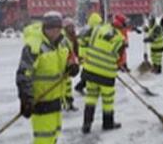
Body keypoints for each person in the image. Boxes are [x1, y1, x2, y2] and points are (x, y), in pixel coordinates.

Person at [16, 12, 80, 144]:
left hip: (56, 99)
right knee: (43, 139)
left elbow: (70, 57)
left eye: (57, 28)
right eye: (51, 28)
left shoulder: (63, 42)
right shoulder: (34, 46)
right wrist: (26, 98)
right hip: (40, 100)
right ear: (44, 28)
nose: (54, 32)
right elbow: (24, 74)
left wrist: (72, 66)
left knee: (53, 134)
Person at [80, 14, 127, 134]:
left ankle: (87, 124)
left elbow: (85, 42)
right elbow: (120, 60)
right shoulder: (120, 39)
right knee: (108, 100)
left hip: (90, 71)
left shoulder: (97, 29)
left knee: (91, 97)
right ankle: (108, 123)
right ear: (121, 27)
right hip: (106, 75)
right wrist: (118, 65)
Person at [74, 12, 103, 95]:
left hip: (84, 53)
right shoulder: (91, 31)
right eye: (99, 23)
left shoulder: (86, 29)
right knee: (90, 72)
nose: (100, 25)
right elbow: (93, 43)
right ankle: (80, 86)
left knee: (89, 71)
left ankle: (83, 86)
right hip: (88, 54)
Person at [62, 18, 80, 111]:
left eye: (73, 26)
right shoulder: (63, 38)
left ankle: (69, 102)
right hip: (63, 65)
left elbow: (74, 50)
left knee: (68, 85)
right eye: (70, 27)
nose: (72, 29)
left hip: (70, 64)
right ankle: (64, 103)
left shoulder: (72, 37)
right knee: (63, 86)